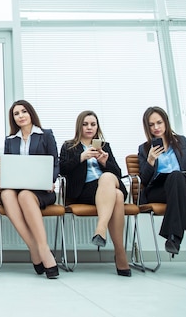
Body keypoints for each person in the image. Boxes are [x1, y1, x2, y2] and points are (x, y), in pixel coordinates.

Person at [138, 106, 186, 278]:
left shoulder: (182, 142)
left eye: (159, 122)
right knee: (180, 181)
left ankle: (174, 237)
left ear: (166, 122)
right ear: (147, 127)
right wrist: (150, 160)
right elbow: (144, 180)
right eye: (151, 125)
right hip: (158, 190)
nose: (156, 127)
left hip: (182, 185)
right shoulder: (144, 149)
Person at [59, 110, 131, 277]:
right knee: (118, 197)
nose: (89, 127)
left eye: (93, 124)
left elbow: (117, 173)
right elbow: (61, 169)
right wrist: (81, 157)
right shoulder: (69, 146)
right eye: (85, 124)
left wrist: (105, 162)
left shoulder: (105, 146)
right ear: (79, 126)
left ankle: (101, 228)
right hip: (85, 190)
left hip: (108, 184)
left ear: (97, 126)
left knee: (108, 178)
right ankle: (120, 255)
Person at [1, 100, 60, 279]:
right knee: (6, 194)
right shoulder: (10, 140)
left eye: (23, 111)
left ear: (31, 113)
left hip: (42, 191)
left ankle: (43, 250)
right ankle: (33, 247)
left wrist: (51, 180)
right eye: (16, 114)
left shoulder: (46, 135)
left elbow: (55, 163)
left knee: (26, 195)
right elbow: (9, 167)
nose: (20, 116)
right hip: (18, 188)